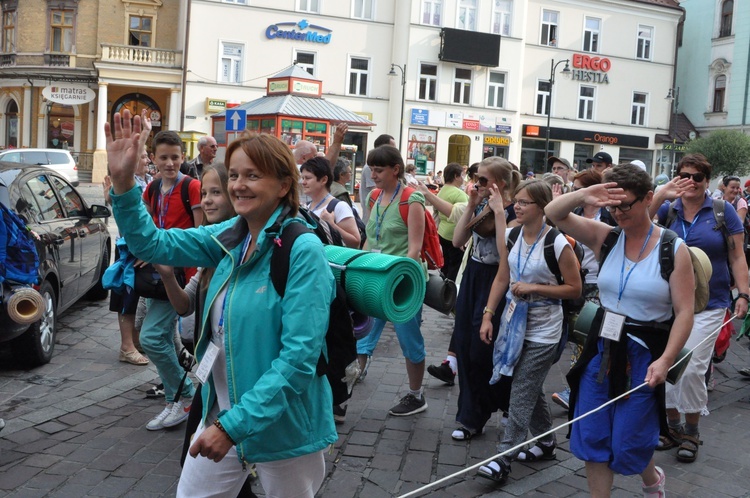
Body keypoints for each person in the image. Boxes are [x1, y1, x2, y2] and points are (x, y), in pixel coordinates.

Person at [106, 110, 337, 497]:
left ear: (283, 185)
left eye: (252, 175)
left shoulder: (303, 250)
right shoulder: (230, 237)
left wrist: (233, 427)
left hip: (282, 425)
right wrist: (123, 181)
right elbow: (153, 243)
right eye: (233, 175)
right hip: (220, 415)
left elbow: (299, 359)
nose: (239, 186)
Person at [545, 163, 695, 497]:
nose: (619, 213)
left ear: (649, 199)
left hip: (645, 352)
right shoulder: (606, 237)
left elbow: (685, 312)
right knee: (593, 431)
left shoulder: (672, 248)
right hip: (603, 346)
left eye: (626, 204)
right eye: (613, 206)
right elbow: (553, 212)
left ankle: (652, 479)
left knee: (629, 436)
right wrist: (586, 194)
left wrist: (666, 359)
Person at [476, 180, 581, 485]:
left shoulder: (558, 243)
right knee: (530, 386)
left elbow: (575, 288)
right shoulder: (512, 236)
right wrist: (488, 315)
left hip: (546, 329)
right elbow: (502, 278)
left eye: (524, 203)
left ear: (542, 207)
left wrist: (535, 287)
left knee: (521, 387)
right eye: (516, 202)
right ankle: (547, 442)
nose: (517, 207)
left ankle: (503, 457)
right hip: (514, 324)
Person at [650, 153, 749, 463]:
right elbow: (638, 225)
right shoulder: (667, 209)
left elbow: (737, 257)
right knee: (664, 365)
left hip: (710, 302)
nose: (690, 181)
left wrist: (743, 293)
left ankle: (691, 431)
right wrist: (660, 197)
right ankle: (671, 426)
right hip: (667, 302)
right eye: (684, 175)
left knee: (691, 367)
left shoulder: (723, 211)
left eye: (697, 177)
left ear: (707, 181)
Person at [440, 158, 521, 440]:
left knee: (483, 349)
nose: (477, 184)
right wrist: (473, 203)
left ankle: (506, 404)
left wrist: (499, 212)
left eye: (483, 180)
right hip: (474, 275)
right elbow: (458, 240)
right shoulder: (483, 204)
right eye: (476, 178)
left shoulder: (515, 210)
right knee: (463, 344)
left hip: (497, 279)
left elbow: (506, 253)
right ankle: (471, 416)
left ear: (501, 184)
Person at [356, 144, 429, 417]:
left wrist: (396, 278)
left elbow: (414, 249)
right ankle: (351, 381)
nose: (372, 175)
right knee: (362, 332)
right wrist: (360, 269)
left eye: (378, 170)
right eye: (371, 169)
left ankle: (416, 395)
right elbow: (369, 239)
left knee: (409, 339)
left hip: (403, 282)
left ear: (395, 170)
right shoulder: (374, 197)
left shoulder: (412, 200)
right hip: (375, 277)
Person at [138, 129, 204, 431]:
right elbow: (146, 225)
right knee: (161, 336)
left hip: (180, 275)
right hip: (156, 273)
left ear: (183, 157)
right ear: (153, 158)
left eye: (175, 157)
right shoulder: (152, 188)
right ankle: (177, 396)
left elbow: (202, 233)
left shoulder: (191, 186)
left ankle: (184, 395)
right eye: (163, 157)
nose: (169, 163)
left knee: (151, 337)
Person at [551, 168, 616, 410]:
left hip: (598, 284)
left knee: (585, 335)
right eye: (574, 190)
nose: (575, 194)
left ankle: (575, 389)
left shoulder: (609, 217)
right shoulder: (572, 212)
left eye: (579, 190)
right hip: (572, 281)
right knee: (568, 333)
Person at [102, 146, 152, 366]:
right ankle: (127, 346)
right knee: (127, 296)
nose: (147, 160)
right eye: (143, 156)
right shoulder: (124, 183)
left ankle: (135, 339)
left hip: (146, 247)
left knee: (142, 293)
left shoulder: (148, 180)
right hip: (129, 248)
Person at [300, 156, 361, 249]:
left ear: (324, 180)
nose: (303, 182)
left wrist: (331, 225)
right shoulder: (307, 206)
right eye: (302, 178)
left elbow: (355, 241)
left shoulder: (339, 206)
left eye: (308, 178)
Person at [434, 163, 469, 282]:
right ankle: (449, 291)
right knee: (454, 267)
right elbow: (464, 217)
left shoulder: (443, 189)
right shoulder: (459, 194)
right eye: (462, 175)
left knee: (446, 264)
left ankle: (442, 288)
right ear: (456, 176)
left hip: (442, 231)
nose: (463, 178)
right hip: (454, 234)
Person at [360, 134, 396, 223]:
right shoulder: (371, 167)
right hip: (373, 220)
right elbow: (378, 192)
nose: (395, 151)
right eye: (393, 148)